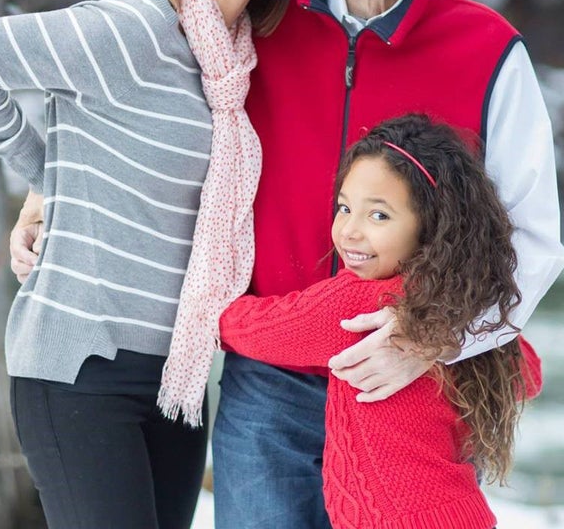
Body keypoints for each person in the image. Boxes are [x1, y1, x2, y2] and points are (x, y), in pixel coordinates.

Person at [0, 0, 308, 529]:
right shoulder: (135, 29)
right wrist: (44, 175)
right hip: (80, 367)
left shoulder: (238, 66)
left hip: (176, 379)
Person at [212, 0, 564, 528]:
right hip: (270, 386)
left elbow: (535, 240)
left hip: (412, 387)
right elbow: (140, 106)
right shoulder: (254, 21)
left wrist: (432, 340)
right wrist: (46, 185)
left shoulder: (488, 50)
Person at [219, 113, 543, 529]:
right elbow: (529, 373)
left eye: (379, 216)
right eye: (344, 207)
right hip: (462, 515)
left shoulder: (362, 303)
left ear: (430, 226)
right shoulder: (466, 311)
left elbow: (252, 328)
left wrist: (207, 308)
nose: (350, 231)